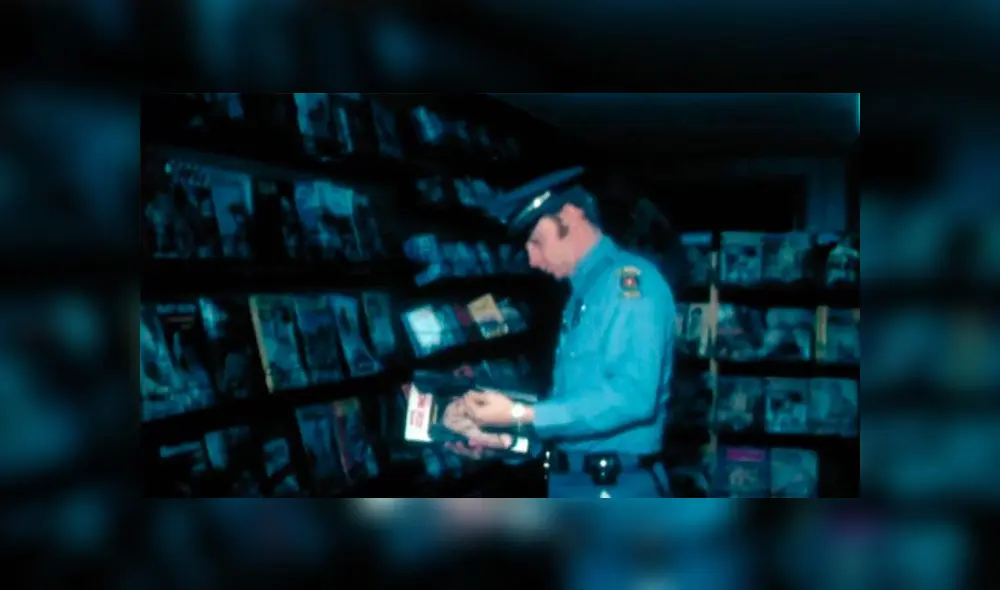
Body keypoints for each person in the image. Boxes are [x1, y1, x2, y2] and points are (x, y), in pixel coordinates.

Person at [451, 167, 676, 498]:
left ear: (570, 216)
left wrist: (520, 413)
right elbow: (575, 414)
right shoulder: (583, 293)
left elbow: (634, 397)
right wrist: (505, 442)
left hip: (617, 488)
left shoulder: (630, 284)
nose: (532, 260)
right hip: (576, 482)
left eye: (537, 242)